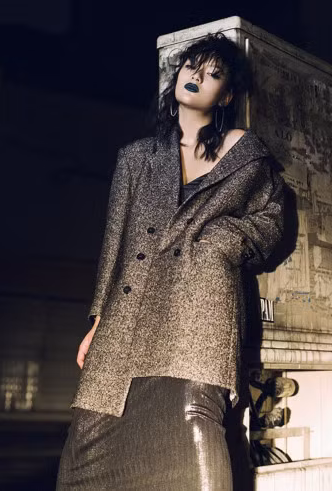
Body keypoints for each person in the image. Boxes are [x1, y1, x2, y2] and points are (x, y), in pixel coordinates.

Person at [56, 32, 285, 490]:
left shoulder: (244, 152)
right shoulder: (136, 158)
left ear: (227, 95)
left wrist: (223, 241)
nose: (198, 76)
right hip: (131, 312)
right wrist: (98, 321)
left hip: (200, 307)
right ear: (177, 75)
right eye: (192, 66)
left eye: (214, 73)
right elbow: (114, 245)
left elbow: (273, 219)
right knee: (90, 439)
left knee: (194, 418)